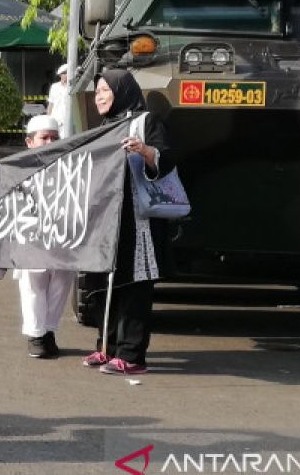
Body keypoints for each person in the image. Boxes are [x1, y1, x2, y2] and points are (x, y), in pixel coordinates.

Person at [81, 69, 175, 376]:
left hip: (138, 224)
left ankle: (132, 356)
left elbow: (168, 160)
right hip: (106, 222)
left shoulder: (145, 122)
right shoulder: (106, 126)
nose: (100, 96)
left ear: (123, 91)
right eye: (97, 92)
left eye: (106, 90)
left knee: (134, 286)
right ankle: (106, 347)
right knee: (101, 284)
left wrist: (145, 151)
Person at [13, 114, 75, 359]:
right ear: (30, 142)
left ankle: (48, 331)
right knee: (33, 283)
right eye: (44, 138)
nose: (50, 142)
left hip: (63, 235)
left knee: (61, 281)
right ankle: (35, 335)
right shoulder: (17, 168)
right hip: (31, 235)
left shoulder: (73, 164)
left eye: (54, 137)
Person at [46, 64, 69, 133]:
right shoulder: (54, 87)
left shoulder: (72, 87)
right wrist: (48, 118)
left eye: (68, 73)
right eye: (64, 73)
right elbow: (51, 104)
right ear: (60, 75)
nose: (66, 75)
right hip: (56, 119)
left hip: (67, 120)